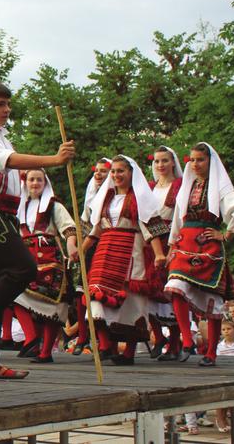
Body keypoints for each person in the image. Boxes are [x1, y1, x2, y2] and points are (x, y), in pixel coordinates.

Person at [0, 80, 74, 379]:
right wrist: (54, 160)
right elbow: (7, 162)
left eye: (8, 104)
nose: (7, 110)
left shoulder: (2, 137)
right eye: (0, 104)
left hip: (1, 212)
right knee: (23, 268)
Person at [162, 142, 234, 367]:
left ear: (210, 161)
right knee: (175, 287)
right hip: (184, 243)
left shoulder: (219, 186)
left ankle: (211, 352)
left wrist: (226, 234)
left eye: (200, 159)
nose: (195, 164)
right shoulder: (187, 186)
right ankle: (188, 341)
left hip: (208, 247)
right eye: (192, 159)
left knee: (213, 301)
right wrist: (171, 246)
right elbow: (177, 219)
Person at [79, 155, 167, 366]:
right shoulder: (105, 198)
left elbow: (151, 227)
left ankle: (129, 352)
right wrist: (80, 251)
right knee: (95, 295)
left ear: (131, 173)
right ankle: (104, 344)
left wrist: (159, 254)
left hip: (131, 249)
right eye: (114, 171)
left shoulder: (140, 198)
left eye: (121, 171)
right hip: (105, 250)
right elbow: (96, 229)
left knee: (132, 300)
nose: (117, 175)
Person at [11, 169, 77, 363]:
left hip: (49, 259)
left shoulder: (52, 205)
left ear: (45, 182)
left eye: (39, 179)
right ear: (26, 182)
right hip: (24, 258)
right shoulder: (19, 207)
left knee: (52, 308)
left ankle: (45, 352)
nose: (35, 183)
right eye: (31, 179)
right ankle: (31, 338)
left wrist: (72, 243)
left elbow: (68, 227)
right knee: (14, 294)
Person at [71, 157, 111, 355]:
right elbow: (86, 224)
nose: (98, 174)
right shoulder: (91, 195)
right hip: (90, 248)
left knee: (100, 294)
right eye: (97, 170)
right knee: (82, 292)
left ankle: (105, 341)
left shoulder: (113, 196)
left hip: (107, 248)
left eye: (103, 171)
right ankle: (83, 335)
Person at [148, 146, 184, 360]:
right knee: (151, 290)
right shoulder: (150, 187)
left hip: (172, 240)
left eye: (164, 160)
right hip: (151, 244)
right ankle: (159, 337)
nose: (160, 165)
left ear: (173, 163)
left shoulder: (179, 186)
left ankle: (175, 341)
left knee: (172, 291)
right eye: (157, 161)